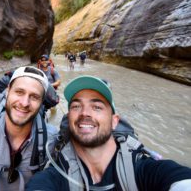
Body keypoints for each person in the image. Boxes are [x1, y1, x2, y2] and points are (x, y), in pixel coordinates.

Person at [26, 75, 191, 191]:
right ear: (69, 118)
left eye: (97, 107)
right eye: (76, 106)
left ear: (114, 121)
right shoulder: (55, 174)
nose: (85, 113)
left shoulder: (144, 170)